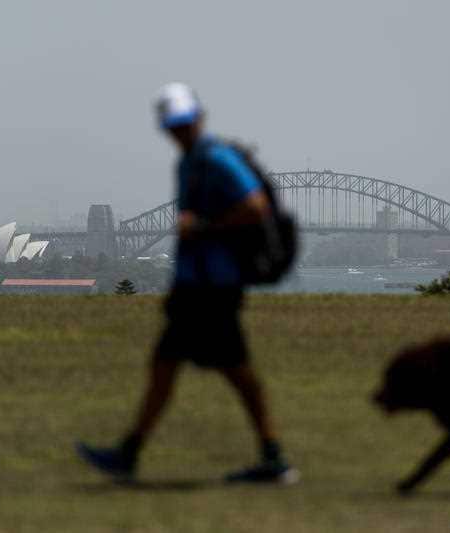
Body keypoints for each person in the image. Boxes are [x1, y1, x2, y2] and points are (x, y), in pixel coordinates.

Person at [77, 82, 298, 485]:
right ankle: (129, 453)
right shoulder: (189, 162)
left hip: (214, 290)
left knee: (233, 372)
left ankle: (274, 459)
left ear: (198, 118)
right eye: (173, 125)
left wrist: (205, 225)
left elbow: (256, 207)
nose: (179, 130)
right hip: (195, 288)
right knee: (169, 367)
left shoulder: (216, 159)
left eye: (184, 122)